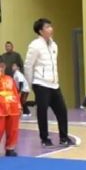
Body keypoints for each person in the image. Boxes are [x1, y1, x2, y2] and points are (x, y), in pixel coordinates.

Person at [24, 18, 74, 147]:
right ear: (40, 31)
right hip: (40, 83)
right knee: (42, 111)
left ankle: (64, 137)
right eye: (47, 27)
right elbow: (28, 66)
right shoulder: (35, 45)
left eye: (50, 26)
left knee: (62, 110)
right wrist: (30, 84)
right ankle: (45, 139)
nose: (51, 29)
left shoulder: (54, 45)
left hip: (54, 84)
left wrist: (55, 79)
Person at [0, 60, 21, 156]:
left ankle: (10, 148)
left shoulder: (10, 79)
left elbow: (15, 93)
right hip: (1, 108)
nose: (1, 68)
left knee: (13, 129)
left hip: (13, 107)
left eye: (2, 66)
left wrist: (19, 106)